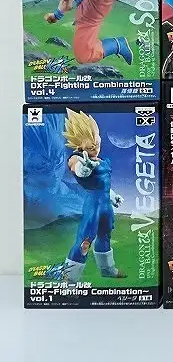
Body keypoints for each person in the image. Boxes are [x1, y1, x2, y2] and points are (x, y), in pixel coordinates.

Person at [62, 109, 126, 282]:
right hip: (93, 206)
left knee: (105, 236)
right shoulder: (77, 158)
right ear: (80, 145)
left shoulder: (101, 160)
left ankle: (107, 269)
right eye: (91, 147)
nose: (96, 149)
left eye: (97, 144)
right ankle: (69, 279)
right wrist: (84, 169)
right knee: (85, 241)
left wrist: (113, 195)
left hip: (106, 205)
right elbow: (77, 168)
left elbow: (103, 184)